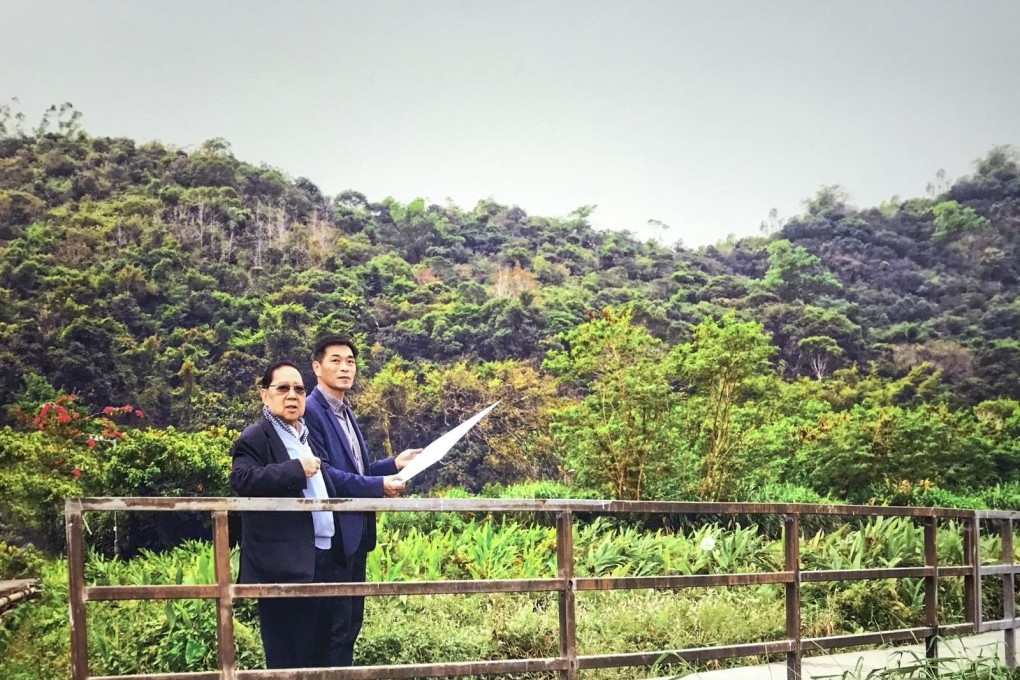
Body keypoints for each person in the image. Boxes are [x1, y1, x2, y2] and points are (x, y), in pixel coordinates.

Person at [303, 334, 420, 666]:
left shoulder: (344, 410)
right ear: (317, 367)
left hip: (355, 536)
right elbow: (326, 476)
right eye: (336, 360)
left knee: (350, 623)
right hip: (333, 537)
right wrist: (379, 485)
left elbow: (357, 470)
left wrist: (393, 464)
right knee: (333, 626)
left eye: (350, 361)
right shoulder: (312, 410)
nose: (345, 368)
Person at [229, 360, 347, 669]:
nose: (292, 395)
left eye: (299, 389)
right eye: (283, 388)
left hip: (320, 558)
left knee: (320, 650)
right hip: (283, 564)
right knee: (288, 653)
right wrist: (296, 469)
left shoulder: (302, 435)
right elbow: (243, 480)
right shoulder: (256, 436)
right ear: (264, 395)